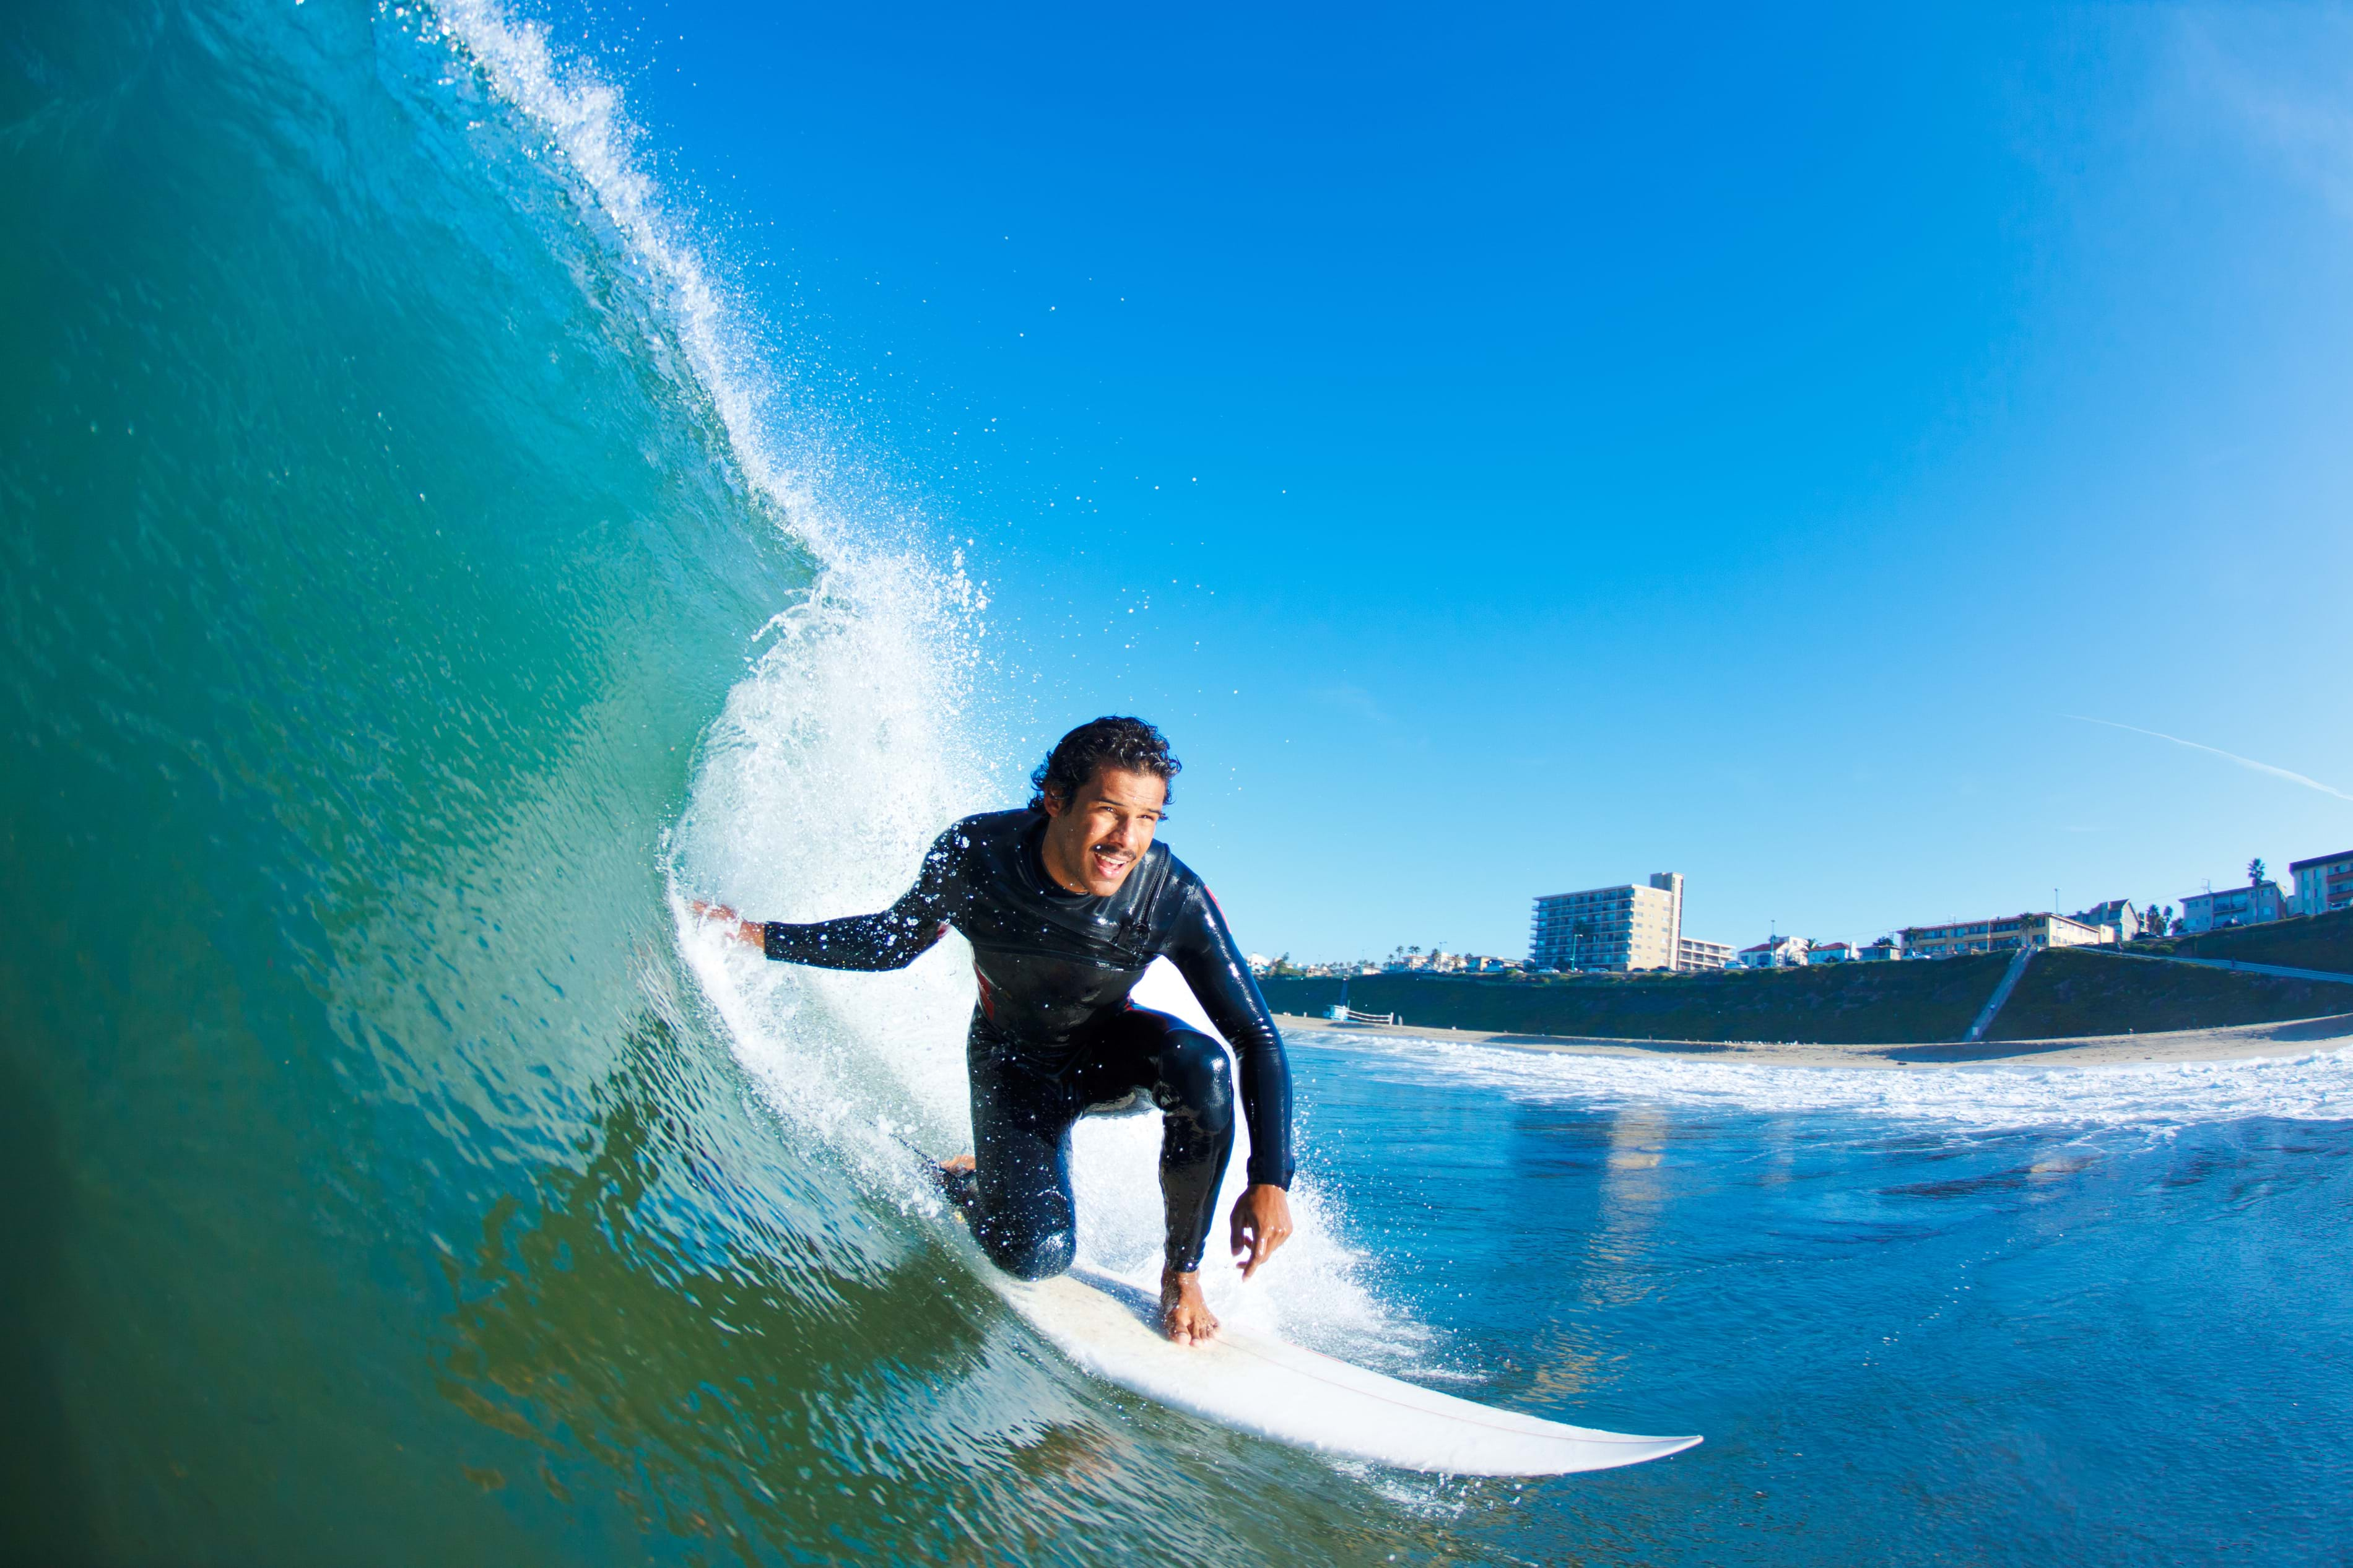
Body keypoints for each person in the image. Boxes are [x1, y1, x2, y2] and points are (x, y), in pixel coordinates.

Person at [692, 716, 1294, 1345]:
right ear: (1055, 799)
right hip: (1012, 1069)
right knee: (1035, 1255)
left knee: (1202, 1067)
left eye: (1147, 818)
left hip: (1108, 1057)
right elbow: (889, 943)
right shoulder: (980, 856)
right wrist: (757, 934)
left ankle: (1182, 1273)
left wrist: (1270, 1178)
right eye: (1109, 811)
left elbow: (1254, 1034)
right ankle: (968, 1178)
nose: (1127, 839)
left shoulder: (1170, 894)